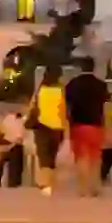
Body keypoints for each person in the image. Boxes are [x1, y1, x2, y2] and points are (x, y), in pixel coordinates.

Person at [64, 57, 110, 196]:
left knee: (81, 158)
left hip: (78, 125)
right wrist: (108, 126)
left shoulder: (72, 84)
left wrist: (67, 124)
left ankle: (82, 188)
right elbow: (107, 106)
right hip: (96, 125)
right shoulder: (101, 85)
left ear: (80, 68)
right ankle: (95, 187)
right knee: (96, 158)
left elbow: (66, 107)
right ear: (93, 68)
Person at [32, 66, 68, 196]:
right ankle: (51, 184)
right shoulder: (61, 89)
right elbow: (64, 109)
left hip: (42, 126)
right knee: (52, 158)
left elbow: (34, 107)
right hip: (57, 127)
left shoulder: (41, 90)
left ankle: (45, 186)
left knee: (43, 158)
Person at [0, 108, 27, 188]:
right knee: (15, 169)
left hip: (6, 144)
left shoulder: (5, 118)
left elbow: (0, 131)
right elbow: (20, 136)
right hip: (15, 145)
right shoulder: (20, 120)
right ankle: (13, 183)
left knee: (1, 165)